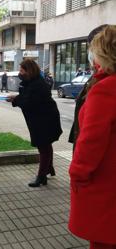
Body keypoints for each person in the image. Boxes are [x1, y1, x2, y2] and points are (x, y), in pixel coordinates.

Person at [69, 25, 116, 249]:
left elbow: (91, 140)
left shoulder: (106, 88)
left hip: (105, 184)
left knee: (103, 240)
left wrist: (77, 173)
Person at [7, 59, 62, 187]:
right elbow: (26, 96)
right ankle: (48, 169)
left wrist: (15, 99)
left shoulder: (37, 84)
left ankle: (41, 177)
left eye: (22, 70)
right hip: (41, 119)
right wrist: (16, 98)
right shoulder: (32, 81)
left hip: (45, 120)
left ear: (29, 70)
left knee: (43, 147)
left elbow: (29, 101)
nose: (20, 73)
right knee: (46, 146)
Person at [69, 24, 108, 149]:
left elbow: (93, 137)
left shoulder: (105, 85)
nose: (90, 53)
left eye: (92, 48)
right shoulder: (97, 77)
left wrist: (77, 167)